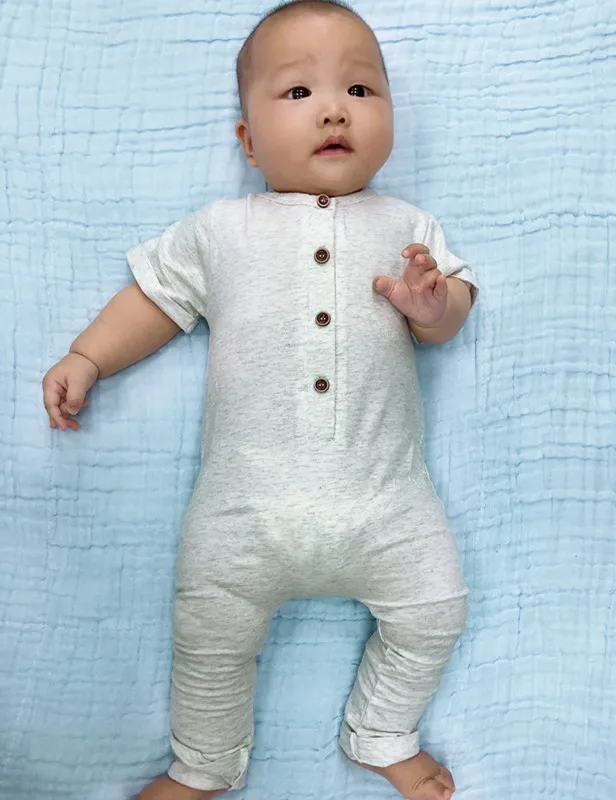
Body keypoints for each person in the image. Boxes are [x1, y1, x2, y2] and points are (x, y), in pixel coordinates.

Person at [42, 2, 478, 798]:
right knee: (206, 635)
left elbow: (453, 308)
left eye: (359, 89)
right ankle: (203, 765)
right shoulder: (220, 230)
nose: (335, 109)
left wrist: (433, 307)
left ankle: (382, 730)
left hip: (387, 505)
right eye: (299, 93)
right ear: (248, 142)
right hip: (243, 514)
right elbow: (156, 300)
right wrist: (88, 356)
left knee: (437, 606)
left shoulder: (408, 227)